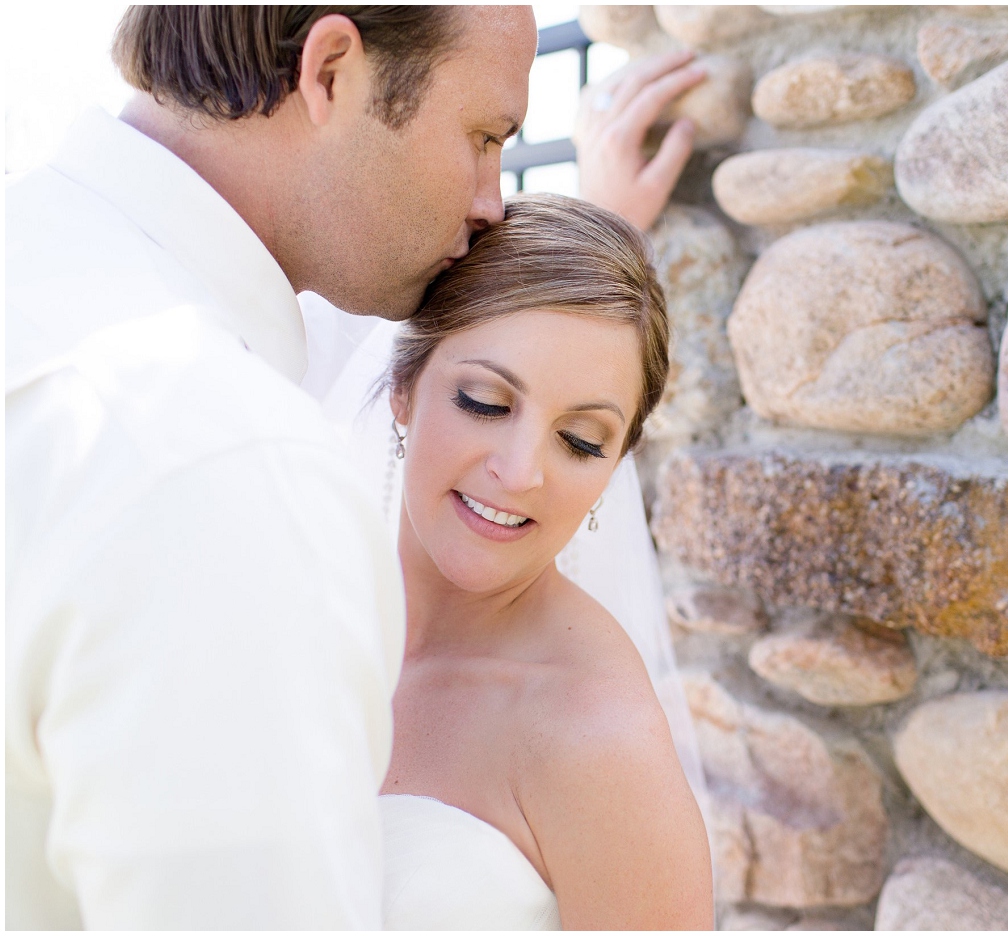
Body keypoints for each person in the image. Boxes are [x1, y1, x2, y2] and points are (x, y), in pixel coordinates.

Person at [7, 1, 708, 926]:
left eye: (585, 442)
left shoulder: (39, 274)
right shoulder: (232, 461)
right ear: (331, 69)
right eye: (485, 134)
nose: (491, 197)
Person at [376, 193, 711, 930]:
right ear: (403, 386)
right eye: (485, 402)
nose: (522, 471)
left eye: (582, 442)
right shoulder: (292, 613)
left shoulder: (600, 741)